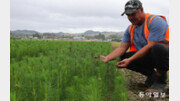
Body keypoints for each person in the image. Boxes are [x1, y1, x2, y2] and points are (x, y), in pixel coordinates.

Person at [100, 0, 169, 93]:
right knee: (121, 57)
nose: (131, 18)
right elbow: (122, 48)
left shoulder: (155, 21)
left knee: (158, 48)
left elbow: (151, 45)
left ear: (141, 10)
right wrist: (107, 58)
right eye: (128, 15)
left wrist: (130, 60)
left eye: (133, 14)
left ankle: (160, 83)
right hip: (149, 55)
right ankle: (152, 76)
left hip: (167, 55)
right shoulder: (130, 28)